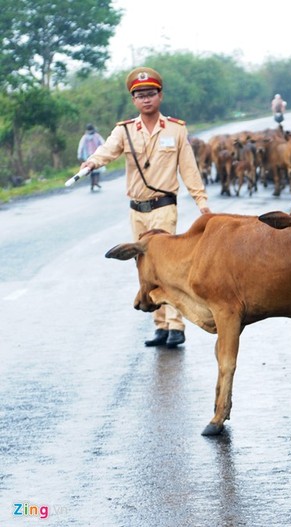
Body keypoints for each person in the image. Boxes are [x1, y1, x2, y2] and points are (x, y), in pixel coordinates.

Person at [80, 66, 211, 349]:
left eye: (151, 94)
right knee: (146, 270)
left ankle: (177, 326)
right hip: (137, 211)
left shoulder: (176, 129)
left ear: (160, 96)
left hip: (163, 208)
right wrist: (91, 162)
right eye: (140, 95)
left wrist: (202, 203)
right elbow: (107, 151)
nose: (146, 99)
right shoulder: (124, 131)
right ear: (134, 100)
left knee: (169, 269)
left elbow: (189, 169)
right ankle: (160, 325)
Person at [77, 124, 105, 191]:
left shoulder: (84, 137)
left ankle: (93, 183)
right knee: (97, 170)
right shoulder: (97, 136)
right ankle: (96, 182)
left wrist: (79, 155)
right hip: (96, 155)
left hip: (88, 156)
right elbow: (103, 143)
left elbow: (80, 147)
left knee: (90, 170)